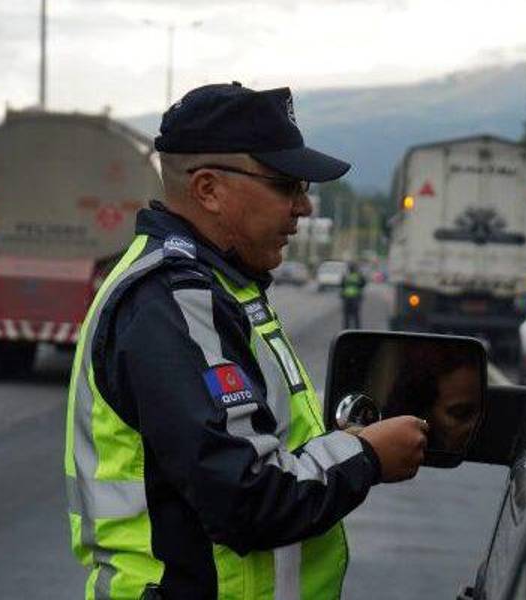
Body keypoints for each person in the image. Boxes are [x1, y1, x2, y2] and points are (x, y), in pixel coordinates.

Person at [65, 82, 429, 600]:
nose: (303, 206)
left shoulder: (221, 287)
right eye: (286, 184)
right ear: (209, 189)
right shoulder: (175, 299)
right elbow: (247, 498)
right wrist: (366, 454)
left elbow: (264, 441)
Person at [340, 262, 366, 329]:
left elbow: (341, 285)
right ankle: (357, 330)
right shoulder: (358, 276)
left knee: (346, 316)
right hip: (355, 298)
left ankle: (346, 330)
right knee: (356, 316)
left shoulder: (346, 275)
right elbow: (363, 284)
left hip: (347, 298)